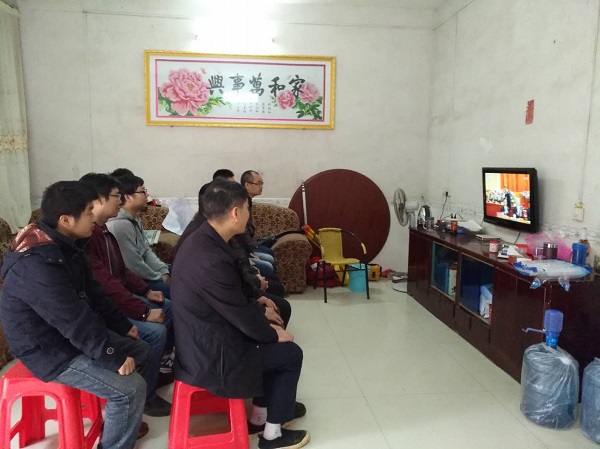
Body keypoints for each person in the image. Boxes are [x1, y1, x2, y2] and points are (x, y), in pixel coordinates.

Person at [0, 181, 151, 449]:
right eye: (89, 212)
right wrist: (110, 355)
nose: (94, 217)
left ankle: (119, 418)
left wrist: (122, 325)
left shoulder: (67, 245)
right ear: (66, 220)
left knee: (141, 349)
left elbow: (94, 293)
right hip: (47, 349)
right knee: (132, 388)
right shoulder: (38, 263)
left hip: (66, 337)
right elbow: (73, 320)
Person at [172, 181, 309, 449]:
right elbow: (238, 313)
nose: (249, 213)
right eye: (247, 208)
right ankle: (272, 436)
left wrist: (262, 315)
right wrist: (271, 333)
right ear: (235, 213)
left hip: (206, 338)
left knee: (272, 332)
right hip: (210, 355)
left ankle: (261, 414)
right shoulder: (210, 257)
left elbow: (234, 301)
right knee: (290, 353)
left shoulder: (206, 240)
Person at [80, 173, 174, 416]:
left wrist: (146, 290)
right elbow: (106, 285)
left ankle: (159, 367)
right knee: (155, 332)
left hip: (114, 300)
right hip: (104, 309)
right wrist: (142, 311)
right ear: (98, 200)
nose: (119, 201)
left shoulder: (103, 230)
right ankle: (146, 395)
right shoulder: (89, 237)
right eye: (115, 196)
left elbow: (122, 270)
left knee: (167, 306)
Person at [106, 174, 171, 298]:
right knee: (177, 291)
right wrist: (159, 277)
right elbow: (133, 266)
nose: (147, 195)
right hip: (136, 280)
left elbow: (146, 250)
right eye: (142, 192)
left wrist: (163, 270)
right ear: (128, 197)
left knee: (179, 270)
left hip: (145, 274)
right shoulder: (120, 225)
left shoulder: (134, 217)